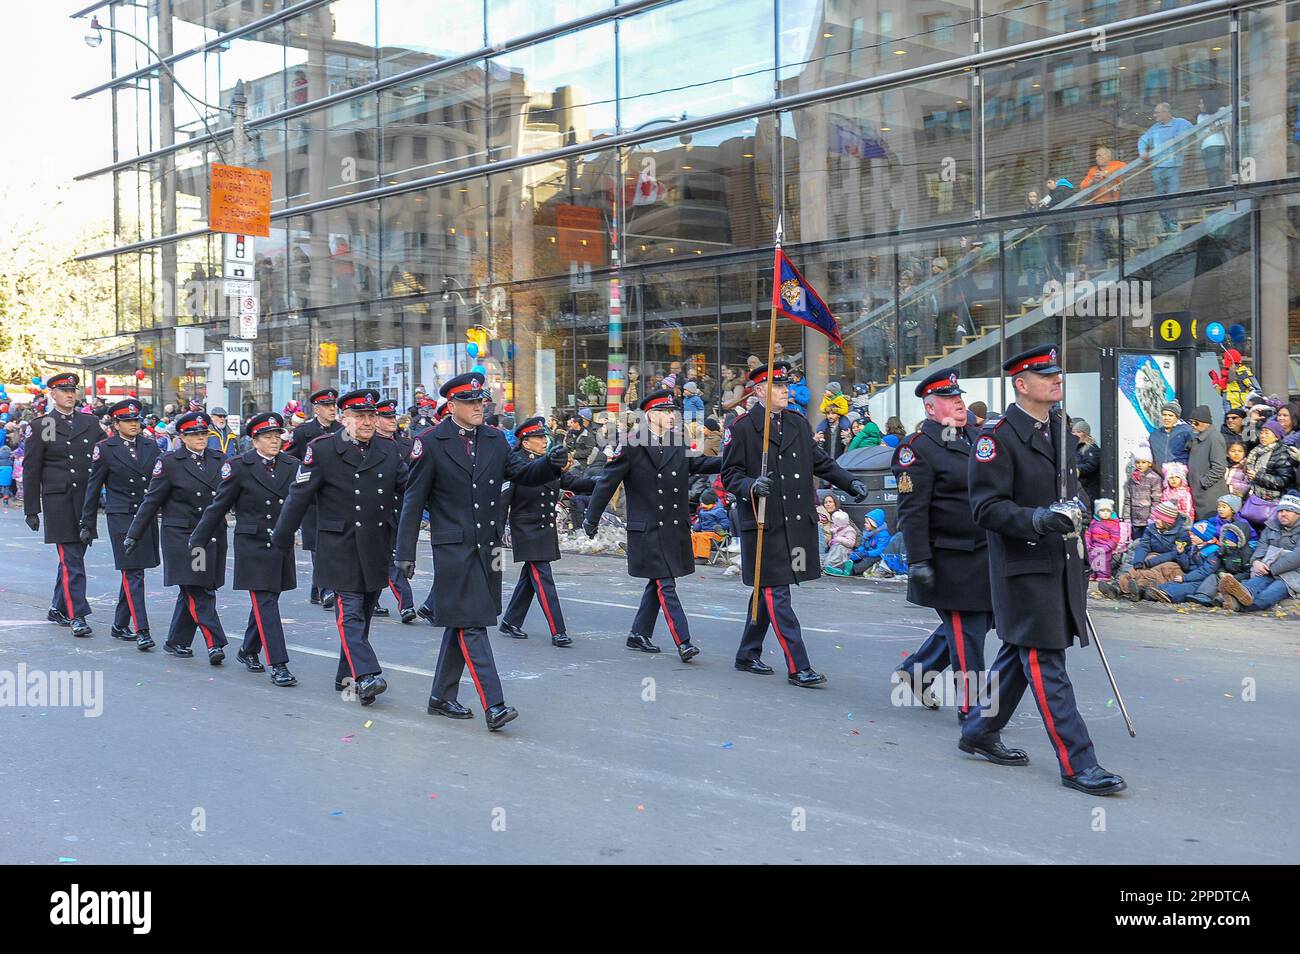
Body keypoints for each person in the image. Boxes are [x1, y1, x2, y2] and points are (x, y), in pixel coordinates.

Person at [961, 344, 1126, 796]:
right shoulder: (998, 437)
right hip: (1024, 566)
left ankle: (979, 730)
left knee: (1020, 656)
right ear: (1021, 384)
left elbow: (1072, 489)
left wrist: (1079, 510)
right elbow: (986, 508)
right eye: (1046, 375)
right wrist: (1036, 519)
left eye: (1058, 373)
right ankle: (1078, 763)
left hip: (1061, 561)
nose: (1057, 379)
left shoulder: (1058, 427)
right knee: (1045, 661)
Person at [395, 374, 566, 730]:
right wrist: (404, 552)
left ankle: (442, 695)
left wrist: (550, 464)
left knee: (461, 621)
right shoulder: (430, 442)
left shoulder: (495, 440)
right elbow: (413, 501)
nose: (478, 407)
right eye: (470, 402)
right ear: (452, 405)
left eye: (481, 401)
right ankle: (495, 704)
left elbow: (521, 473)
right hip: (453, 548)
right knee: (472, 624)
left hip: (488, 547)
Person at [721, 362, 866, 687]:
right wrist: (750, 486)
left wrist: (849, 482)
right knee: (776, 592)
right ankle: (798, 665)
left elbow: (821, 462)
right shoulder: (744, 428)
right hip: (764, 522)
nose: (786, 390)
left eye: (786, 384)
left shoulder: (798, 425)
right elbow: (729, 475)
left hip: (795, 523)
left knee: (766, 590)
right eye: (778, 385)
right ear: (759, 392)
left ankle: (747, 653)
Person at [275, 389, 408, 707]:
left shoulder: (388, 449)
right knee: (349, 613)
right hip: (339, 544)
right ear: (344, 419)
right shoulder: (322, 450)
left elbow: (409, 487)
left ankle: (345, 675)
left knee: (363, 612)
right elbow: (299, 496)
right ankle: (366, 675)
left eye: (371, 415)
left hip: (376, 543)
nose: (367, 421)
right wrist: (281, 538)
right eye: (359, 416)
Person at [583, 388, 723, 662]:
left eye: (674, 411)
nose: (673, 416)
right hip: (646, 527)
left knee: (658, 582)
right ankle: (683, 640)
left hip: (672, 526)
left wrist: (734, 460)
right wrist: (592, 517)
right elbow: (607, 482)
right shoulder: (632, 444)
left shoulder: (678, 442)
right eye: (666, 412)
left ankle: (638, 633)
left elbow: (701, 464)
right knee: (665, 583)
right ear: (651, 415)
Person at [889, 368, 994, 721]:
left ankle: (916, 675)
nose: (959, 402)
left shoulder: (976, 437)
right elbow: (912, 510)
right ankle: (975, 711)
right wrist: (919, 560)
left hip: (985, 554)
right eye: (950, 399)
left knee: (973, 627)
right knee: (970, 635)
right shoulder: (917, 449)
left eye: (959, 396)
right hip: (950, 557)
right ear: (931, 408)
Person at [189, 412, 300, 687]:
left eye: (278, 436)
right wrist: (198, 540)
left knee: (270, 600)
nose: (275, 441)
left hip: (281, 541)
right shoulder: (239, 466)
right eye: (269, 437)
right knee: (265, 601)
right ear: (255, 440)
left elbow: (304, 502)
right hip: (253, 542)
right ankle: (279, 663)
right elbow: (219, 506)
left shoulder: (292, 464)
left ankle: (248, 649)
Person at [124, 411, 229, 663]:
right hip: (184, 535)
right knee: (197, 588)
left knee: (196, 586)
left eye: (204, 433)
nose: (201, 438)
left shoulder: (219, 459)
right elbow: (152, 501)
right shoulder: (170, 462)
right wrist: (133, 534)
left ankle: (176, 641)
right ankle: (215, 642)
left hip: (211, 533)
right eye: (195, 434)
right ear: (182, 437)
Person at [499, 416, 596, 647]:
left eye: (545, 436)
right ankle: (558, 630)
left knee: (529, 579)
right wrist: (497, 531)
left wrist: (603, 481)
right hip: (526, 528)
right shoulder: (516, 464)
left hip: (544, 527)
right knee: (543, 579)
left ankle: (511, 621)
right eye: (539, 437)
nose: (545, 441)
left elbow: (571, 482)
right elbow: (504, 498)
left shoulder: (547, 462)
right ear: (525, 442)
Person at [79, 398, 161, 650]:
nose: (134, 424)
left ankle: (119, 624)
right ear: (116, 424)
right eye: (127, 421)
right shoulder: (105, 448)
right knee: (133, 572)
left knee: (136, 570)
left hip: (145, 516)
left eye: (136, 420)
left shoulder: (151, 446)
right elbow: (93, 488)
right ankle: (142, 629)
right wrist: (87, 523)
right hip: (121, 516)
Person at [22, 373, 100, 637]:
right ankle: (77, 614)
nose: (69, 394)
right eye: (63, 390)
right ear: (52, 394)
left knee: (72, 560)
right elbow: (32, 468)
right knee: (73, 561)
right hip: (59, 501)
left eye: (72, 390)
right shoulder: (45, 424)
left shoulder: (90, 422)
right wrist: (31, 508)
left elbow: (103, 460)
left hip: (85, 502)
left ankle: (58, 607)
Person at [290, 389, 343, 607]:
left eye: (334, 406)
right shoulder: (304, 432)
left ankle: (317, 590)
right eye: (328, 406)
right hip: (312, 497)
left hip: (336, 495)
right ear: (317, 409)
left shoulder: (342, 430)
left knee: (332, 544)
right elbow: (292, 460)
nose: (333, 410)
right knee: (317, 545)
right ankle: (326, 588)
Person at [1217, 494, 1300, 612]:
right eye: (1281, 511)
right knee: (1253, 584)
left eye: (1288, 511)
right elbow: (1261, 546)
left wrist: (1272, 569)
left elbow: (1297, 556)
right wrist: (1256, 561)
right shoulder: (1271, 526)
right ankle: (1233, 596)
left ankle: (1239, 605)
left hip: (1292, 574)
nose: (1283, 514)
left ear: (1298, 513)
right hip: (1267, 569)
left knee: (1271, 592)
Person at [373, 398, 417, 622]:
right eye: (386, 417)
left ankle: (371, 598)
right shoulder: (368, 445)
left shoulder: (407, 445)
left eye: (393, 417)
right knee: (388, 558)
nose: (392, 421)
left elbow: (414, 478)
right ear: (376, 420)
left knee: (386, 558)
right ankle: (406, 603)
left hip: (404, 509)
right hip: (378, 511)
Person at [1137, 102, 1194, 232]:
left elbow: (1194, 132)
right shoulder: (1155, 128)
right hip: (1157, 168)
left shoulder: (1181, 123)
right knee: (1160, 198)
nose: (1154, 115)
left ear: (1166, 113)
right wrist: (1142, 152)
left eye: (1157, 112)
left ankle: (1172, 223)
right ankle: (1165, 224)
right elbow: (1142, 140)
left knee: (1173, 195)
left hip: (1173, 167)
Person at [1242, 420, 1295, 528]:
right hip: (1255, 498)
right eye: (1261, 432)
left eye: (1267, 433)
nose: (1262, 436)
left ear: (1276, 437)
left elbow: (1283, 480)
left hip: (1272, 503)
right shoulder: (1257, 450)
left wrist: (1258, 476)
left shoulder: (1283, 453)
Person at [1186, 404, 1228, 520]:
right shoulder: (1200, 437)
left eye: (1196, 422)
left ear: (1205, 422)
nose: (1193, 425)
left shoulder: (1214, 438)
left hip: (1209, 496)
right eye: (1191, 422)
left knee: (1209, 528)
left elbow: (1219, 467)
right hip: (1200, 494)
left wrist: (1202, 483)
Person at [1124, 445, 1163, 537]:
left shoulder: (1154, 478)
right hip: (1135, 518)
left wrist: (1153, 517)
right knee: (1135, 541)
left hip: (1148, 519)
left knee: (1147, 541)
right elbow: (1128, 499)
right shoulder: (1132, 478)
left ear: (1149, 463)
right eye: (1137, 462)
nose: (1140, 465)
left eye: (1143, 462)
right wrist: (1126, 517)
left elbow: (1156, 500)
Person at [1195, 92, 1229, 189]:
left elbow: (1230, 119)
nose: (1199, 105)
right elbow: (1199, 133)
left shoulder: (1221, 110)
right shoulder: (1201, 116)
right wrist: (1212, 128)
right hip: (1207, 146)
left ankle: (1220, 194)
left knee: (1217, 172)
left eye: (1201, 103)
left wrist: (1218, 125)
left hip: (1218, 145)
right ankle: (1218, 195)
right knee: (1213, 172)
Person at [1085, 498, 1123, 582]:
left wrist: (1107, 547)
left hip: (1105, 547)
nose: (1105, 513)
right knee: (1092, 559)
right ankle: (1093, 573)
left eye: (1107, 511)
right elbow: (1088, 533)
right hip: (1094, 545)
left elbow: (1115, 537)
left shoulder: (1113, 523)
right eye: (1102, 511)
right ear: (1097, 512)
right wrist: (1087, 543)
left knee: (1104, 562)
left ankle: (1104, 575)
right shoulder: (1094, 522)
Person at [1149, 401, 1193, 468]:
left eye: (1170, 415)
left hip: (1181, 475)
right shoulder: (1154, 436)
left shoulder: (1187, 432)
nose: (1166, 418)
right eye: (1164, 415)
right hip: (1161, 476)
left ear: (1177, 417)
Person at [1071, 420, 1101, 503]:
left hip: (1088, 488)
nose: (1075, 434)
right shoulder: (1074, 448)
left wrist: (1076, 469)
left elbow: (1091, 465)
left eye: (1079, 432)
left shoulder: (1091, 448)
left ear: (1085, 433)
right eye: (1073, 432)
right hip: (1077, 487)